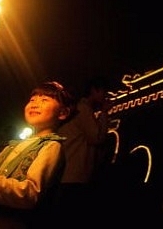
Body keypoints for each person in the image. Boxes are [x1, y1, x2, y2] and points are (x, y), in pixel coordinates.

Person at [0, 81, 77, 229]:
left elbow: (30, 195)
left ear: (63, 113)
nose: (35, 103)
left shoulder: (51, 146)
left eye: (44, 100)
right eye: (32, 100)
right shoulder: (12, 146)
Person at [53, 76, 112, 226]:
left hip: (66, 175)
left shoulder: (76, 110)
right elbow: (97, 138)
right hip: (76, 177)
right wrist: (105, 113)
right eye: (103, 92)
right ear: (94, 90)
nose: (106, 96)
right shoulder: (83, 109)